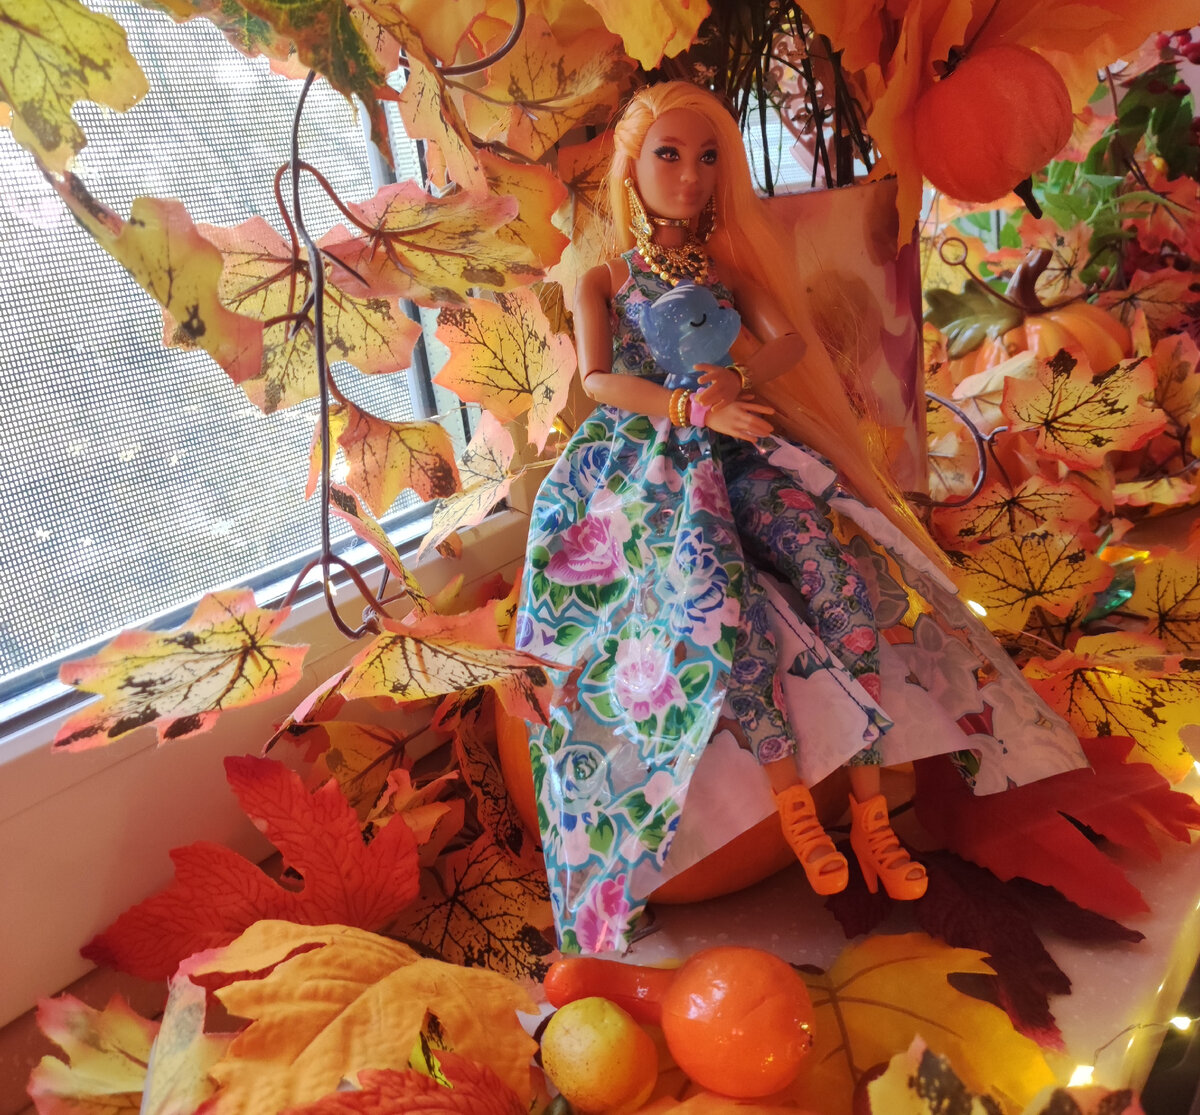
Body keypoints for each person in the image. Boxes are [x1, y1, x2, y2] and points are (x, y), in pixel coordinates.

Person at [514, 81, 1087, 954]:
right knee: (724, 606)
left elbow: (785, 338)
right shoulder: (605, 280)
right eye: (668, 155)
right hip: (652, 464)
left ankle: (870, 811)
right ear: (630, 168)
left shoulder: (724, 272)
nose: (689, 175)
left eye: (708, 157)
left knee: (835, 572)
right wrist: (689, 407)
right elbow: (597, 380)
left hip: (744, 447)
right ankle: (794, 808)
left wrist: (740, 379)